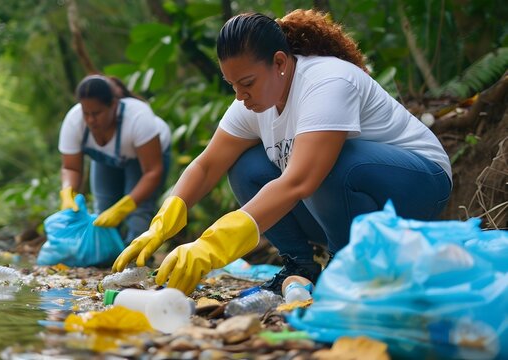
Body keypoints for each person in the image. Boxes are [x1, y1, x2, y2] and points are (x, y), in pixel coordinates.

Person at [112, 9, 453, 295]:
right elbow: (206, 166)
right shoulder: (251, 102)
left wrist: (212, 245)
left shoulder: (327, 81)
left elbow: (299, 182)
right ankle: (301, 267)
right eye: (232, 85)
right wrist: (162, 224)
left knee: (330, 164)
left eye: (246, 83)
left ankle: (346, 267)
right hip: (347, 206)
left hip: (419, 188)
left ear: (279, 62)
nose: (240, 96)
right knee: (245, 167)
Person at [58, 75, 172, 244]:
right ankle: (108, 258)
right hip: (106, 159)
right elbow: (71, 168)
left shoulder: (138, 117)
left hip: (145, 160)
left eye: (96, 113)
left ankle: (138, 261)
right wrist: (68, 192)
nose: (90, 120)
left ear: (114, 105)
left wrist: (125, 206)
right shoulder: (74, 120)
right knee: (104, 209)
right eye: (86, 113)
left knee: (139, 212)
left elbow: (153, 172)